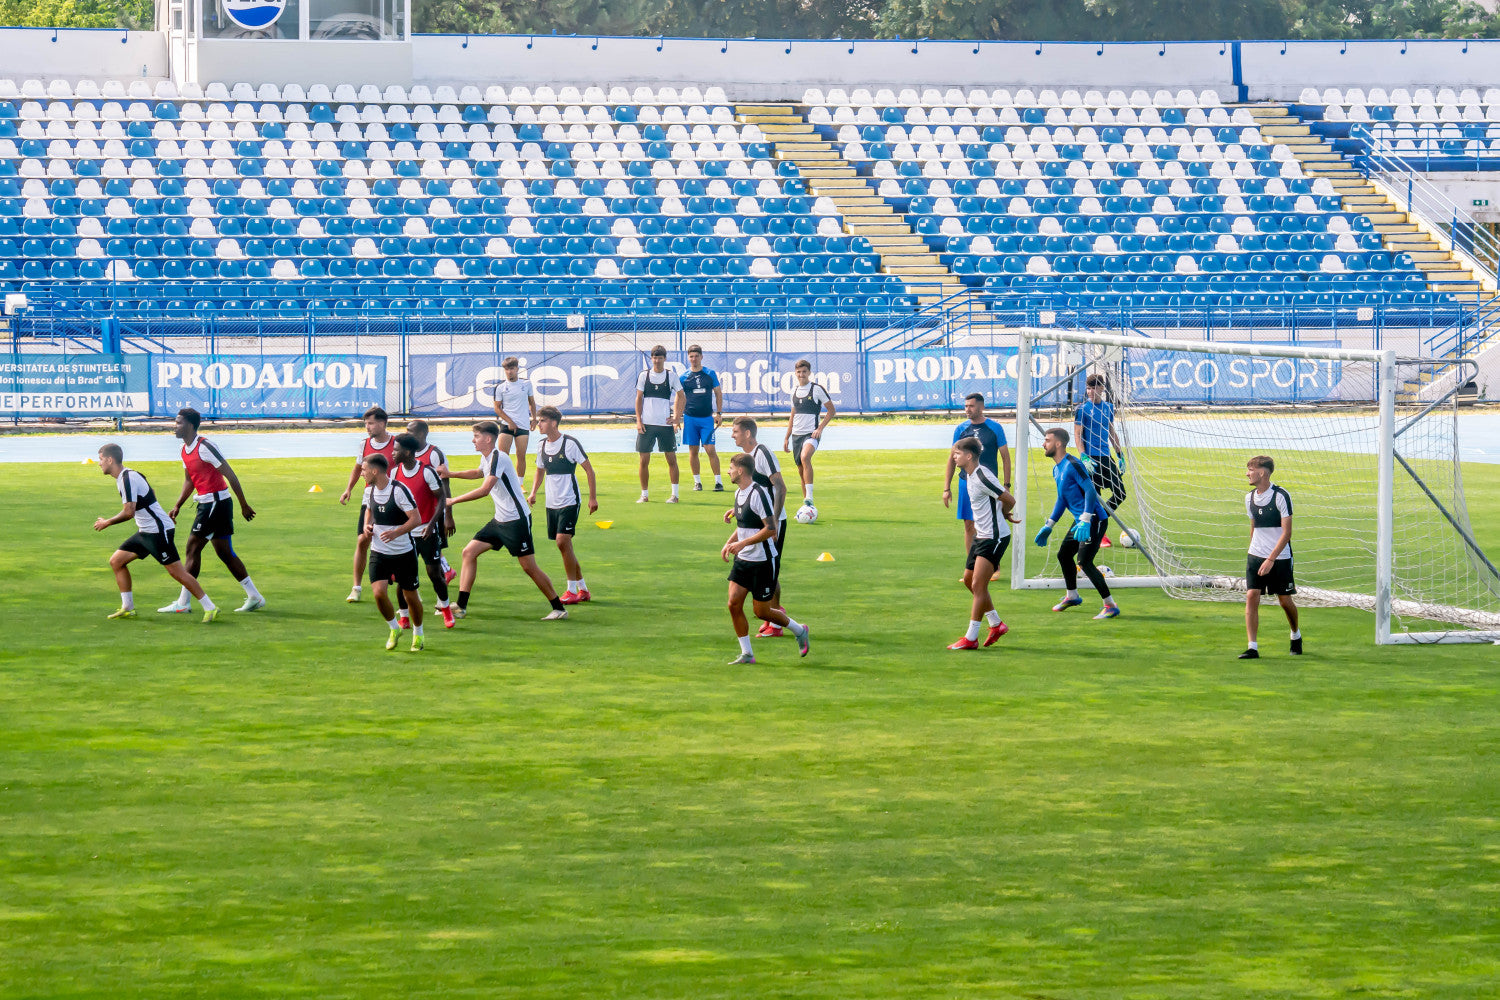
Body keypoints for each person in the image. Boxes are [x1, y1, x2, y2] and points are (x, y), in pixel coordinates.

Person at [441, 420, 569, 621]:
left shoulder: (498, 457)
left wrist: (453, 500)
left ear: (488, 438)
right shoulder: (489, 457)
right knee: (469, 552)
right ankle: (462, 605)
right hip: (500, 520)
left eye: (476, 436)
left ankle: (559, 608)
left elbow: (485, 490)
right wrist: (451, 474)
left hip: (516, 521)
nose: (473, 440)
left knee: (529, 567)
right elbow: (478, 473)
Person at [92, 443, 218, 623]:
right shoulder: (126, 476)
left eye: (101, 459)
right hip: (146, 531)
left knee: (177, 573)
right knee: (116, 561)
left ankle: (210, 607)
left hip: (158, 532)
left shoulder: (128, 478)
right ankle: (128, 608)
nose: (99, 463)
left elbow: (129, 512)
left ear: (110, 460)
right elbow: (150, 493)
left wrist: (107, 522)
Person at [160, 407, 266, 614]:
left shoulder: (205, 446)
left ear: (190, 425)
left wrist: (244, 504)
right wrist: (177, 505)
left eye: (179, 422)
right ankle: (255, 596)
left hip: (215, 504)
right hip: (210, 504)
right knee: (225, 553)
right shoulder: (184, 450)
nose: (175, 426)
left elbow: (230, 474)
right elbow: (190, 480)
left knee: (192, 548)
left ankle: (183, 602)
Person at [721, 453, 810, 665]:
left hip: (762, 560)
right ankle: (747, 654)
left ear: (741, 471)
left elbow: (770, 529)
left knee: (762, 612)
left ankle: (799, 630)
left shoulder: (759, 494)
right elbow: (743, 527)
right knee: (733, 604)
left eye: (731, 468)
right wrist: (729, 542)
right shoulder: (738, 493)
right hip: (743, 560)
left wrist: (742, 543)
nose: (728, 471)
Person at [1034, 427, 1119, 619]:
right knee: (1064, 555)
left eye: (1047, 440)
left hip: (1094, 520)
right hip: (1080, 521)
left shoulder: (1073, 464)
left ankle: (1110, 605)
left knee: (1084, 562)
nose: (1043, 444)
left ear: (1058, 444)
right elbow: (1062, 499)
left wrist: (1086, 519)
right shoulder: (1057, 468)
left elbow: (1090, 491)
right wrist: (1049, 524)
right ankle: (1072, 596)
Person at [947, 437, 1014, 649]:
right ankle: (996, 624)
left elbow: (1009, 499)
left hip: (994, 537)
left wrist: (1004, 515)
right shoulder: (968, 476)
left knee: (978, 585)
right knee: (969, 580)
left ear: (968, 456)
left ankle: (971, 637)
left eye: (957, 453)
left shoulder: (983, 475)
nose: (954, 456)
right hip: (981, 536)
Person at [528, 405, 599, 605]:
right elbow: (539, 470)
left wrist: (592, 498)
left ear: (553, 423)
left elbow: (589, 470)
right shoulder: (541, 445)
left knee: (562, 542)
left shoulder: (570, 443)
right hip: (552, 502)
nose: (538, 424)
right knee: (565, 546)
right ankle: (583, 589)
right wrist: (533, 492)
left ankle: (571, 590)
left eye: (542, 420)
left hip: (569, 500)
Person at [729, 416, 790, 638]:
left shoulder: (762, 453)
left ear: (747, 433)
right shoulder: (746, 459)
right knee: (767, 571)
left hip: (772, 522)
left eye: (735, 431)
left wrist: (772, 522)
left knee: (770, 572)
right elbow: (754, 493)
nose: (732, 435)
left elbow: (780, 487)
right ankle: (772, 616)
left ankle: (776, 620)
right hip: (760, 522)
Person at [359, 454, 425, 652]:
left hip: (403, 553)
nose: (361, 473)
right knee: (379, 594)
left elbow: (416, 519)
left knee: (410, 597)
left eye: (363, 470)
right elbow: (369, 511)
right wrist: (366, 526)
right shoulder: (369, 491)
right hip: (379, 552)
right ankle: (394, 628)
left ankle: (418, 633)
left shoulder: (399, 490)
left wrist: (396, 532)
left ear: (375, 471)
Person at [393, 433, 457, 630]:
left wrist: (432, 525)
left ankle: (445, 608)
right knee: (402, 578)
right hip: (405, 534)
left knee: (434, 573)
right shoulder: (395, 473)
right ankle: (404, 616)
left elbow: (440, 498)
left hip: (426, 532)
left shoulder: (427, 472)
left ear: (407, 452)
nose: (393, 453)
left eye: (396, 450)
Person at [1240, 455, 1300, 659]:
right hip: (1255, 556)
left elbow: (1286, 533)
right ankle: (1252, 647)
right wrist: (1253, 553)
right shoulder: (1248, 498)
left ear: (1262, 472)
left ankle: (1295, 634)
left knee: (1284, 601)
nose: (1247, 473)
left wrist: (1270, 559)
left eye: (1250, 469)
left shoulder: (1281, 496)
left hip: (1279, 558)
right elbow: (1253, 527)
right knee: (1251, 596)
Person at [942, 392, 1013, 563]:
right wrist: (946, 488)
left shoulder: (995, 428)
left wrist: (1006, 485)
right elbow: (952, 459)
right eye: (966, 406)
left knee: (990, 524)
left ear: (981, 407)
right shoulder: (961, 429)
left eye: (971, 406)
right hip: (965, 483)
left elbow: (1005, 457)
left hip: (988, 484)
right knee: (969, 525)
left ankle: (993, 565)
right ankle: (972, 566)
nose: (967, 409)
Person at [339, 406, 395, 603]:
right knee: (363, 540)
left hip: (392, 500)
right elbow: (357, 468)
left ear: (382, 423)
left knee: (397, 540)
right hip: (370, 498)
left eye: (370, 423)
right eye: (366, 424)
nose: (367, 427)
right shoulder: (364, 445)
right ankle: (356, 587)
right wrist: (348, 489)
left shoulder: (396, 444)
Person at [1073, 373, 1127, 545]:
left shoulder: (1109, 408)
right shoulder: (1082, 409)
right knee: (1094, 497)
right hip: (1090, 459)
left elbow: (1111, 432)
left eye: (1094, 388)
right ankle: (1096, 533)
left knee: (1120, 493)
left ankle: (1097, 522)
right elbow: (1077, 434)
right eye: (1088, 388)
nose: (1090, 391)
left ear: (1102, 389)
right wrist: (1083, 456)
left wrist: (1119, 454)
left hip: (1105, 457)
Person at [405, 418, 456, 583]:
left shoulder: (434, 454)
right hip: (415, 511)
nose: (407, 434)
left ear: (421, 433)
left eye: (410, 431)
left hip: (433, 512)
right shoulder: (406, 453)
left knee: (431, 547)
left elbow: (445, 486)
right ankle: (447, 570)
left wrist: (448, 515)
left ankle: (445, 578)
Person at [634, 344, 685, 503]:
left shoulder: (672, 376)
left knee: (671, 459)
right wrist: (638, 420)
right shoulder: (644, 375)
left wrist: (677, 418)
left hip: (665, 425)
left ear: (665, 359)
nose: (657, 360)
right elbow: (638, 399)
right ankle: (644, 495)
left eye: (660, 358)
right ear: (651, 358)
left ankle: (674, 495)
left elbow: (681, 396)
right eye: (654, 357)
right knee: (644, 460)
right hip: (647, 425)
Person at [783, 358, 835, 510]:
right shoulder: (793, 391)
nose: (801, 374)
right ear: (795, 373)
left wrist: (820, 428)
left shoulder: (817, 389)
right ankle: (807, 505)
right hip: (796, 436)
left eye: (804, 371)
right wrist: (786, 437)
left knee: (805, 457)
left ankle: (810, 497)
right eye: (798, 372)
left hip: (811, 435)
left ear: (809, 373)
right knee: (800, 471)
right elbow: (793, 415)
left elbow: (831, 410)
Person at [679, 344, 724, 492]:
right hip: (690, 418)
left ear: (701, 357)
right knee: (693, 450)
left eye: (696, 356)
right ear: (688, 358)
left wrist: (719, 413)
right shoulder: (684, 377)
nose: (694, 359)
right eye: (691, 356)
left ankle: (718, 481)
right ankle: (697, 482)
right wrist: (676, 417)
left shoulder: (710, 374)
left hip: (706, 419)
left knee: (710, 449)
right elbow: (679, 398)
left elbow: (718, 393)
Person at [490, 356, 537, 478]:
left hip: (523, 424)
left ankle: (520, 484)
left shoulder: (526, 384)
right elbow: (497, 408)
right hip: (506, 425)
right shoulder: (500, 387)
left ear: (517, 368)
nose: (509, 371)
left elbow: (532, 402)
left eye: (511, 368)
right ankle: (504, 480)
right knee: (502, 456)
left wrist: (534, 419)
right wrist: (510, 421)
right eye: (506, 369)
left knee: (521, 455)